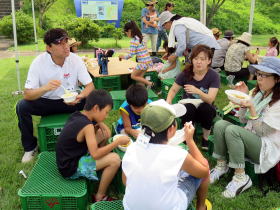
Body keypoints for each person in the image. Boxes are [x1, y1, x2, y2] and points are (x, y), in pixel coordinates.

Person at [16, 28, 94, 163]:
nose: (66, 46)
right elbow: (27, 94)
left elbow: (90, 86)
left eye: (66, 41)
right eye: (60, 43)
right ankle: (30, 147)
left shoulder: (75, 60)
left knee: (95, 98)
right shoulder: (38, 62)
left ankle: (92, 138)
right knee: (22, 106)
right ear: (49, 48)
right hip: (46, 103)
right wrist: (45, 88)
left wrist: (80, 97)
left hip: (72, 101)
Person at [122, 99, 211, 210]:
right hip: (171, 207)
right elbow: (204, 171)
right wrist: (190, 140)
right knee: (203, 167)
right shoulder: (177, 155)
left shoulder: (132, 148)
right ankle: (201, 207)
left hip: (131, 207)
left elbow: (126, 181)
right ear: (171, 129)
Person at [210, 56, 280, 198]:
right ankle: (221, 165)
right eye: (258, 74)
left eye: (264, 75)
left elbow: (261, 132)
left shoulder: (278, 103)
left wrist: (252, 108)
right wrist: (242, 100)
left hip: (266, 147)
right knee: (220, 124)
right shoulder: (260, 94)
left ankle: (241, 177)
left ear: (277, 79)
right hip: (251, 137)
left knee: (232, 130)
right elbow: (242, 118)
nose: (259, 78)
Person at [56, 89, 130, 202]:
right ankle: (99, 196)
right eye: (106, 112)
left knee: (102, 134)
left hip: (67, 159)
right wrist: (117, 143)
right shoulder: (87, 126)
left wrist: (99, 122)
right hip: (70, 168)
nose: (106, 116)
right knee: (115, 159)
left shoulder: (79, 115)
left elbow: (104, 134)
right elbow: (95, 154)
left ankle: (100, 168)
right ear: (96, 108)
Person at [167, 45, 220, 150]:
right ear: (192, 60)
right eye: (196, 58)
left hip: (204, 108)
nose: (199, 62)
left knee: (206, 108)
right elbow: (173, 90)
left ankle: (205, 138)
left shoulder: (213, 76)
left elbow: (210, 99)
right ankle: (188, 137)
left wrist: (198, 91)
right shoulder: (186, 73)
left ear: (209, 61)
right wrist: (168, 102)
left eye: (202, 59)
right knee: (188, 108)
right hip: (189, 108)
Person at [119, 21, 153, 87]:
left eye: (126, 33)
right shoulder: (139, 37)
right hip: (148, 61)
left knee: (133, 76)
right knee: (139, 78)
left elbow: (131, 55)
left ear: (129, 31)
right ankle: (142, 92)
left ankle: (150, 83)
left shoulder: (133, 40)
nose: (126, 34)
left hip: (143, 63)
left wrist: (122, 56)